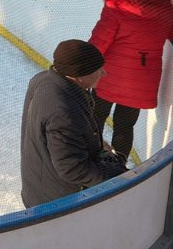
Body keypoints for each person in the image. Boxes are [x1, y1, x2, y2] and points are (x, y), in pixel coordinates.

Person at [87, 0, 173, 163]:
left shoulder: (116, 7)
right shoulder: (164, 8)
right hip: (140, 81)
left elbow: (99, 42)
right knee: (125, 126)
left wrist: (83, 65)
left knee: (94, 120)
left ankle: (91, 160)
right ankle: (118, 166)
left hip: (107, 77)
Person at [20, 39, 128, 207]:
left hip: (39, 187)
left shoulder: (44, 79)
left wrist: (95, 145)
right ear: (80, 75)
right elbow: (73, 169)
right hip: (55, 204)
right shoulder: (62, 111)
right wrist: (121, 176)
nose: (103, 73)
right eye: (98, 69)